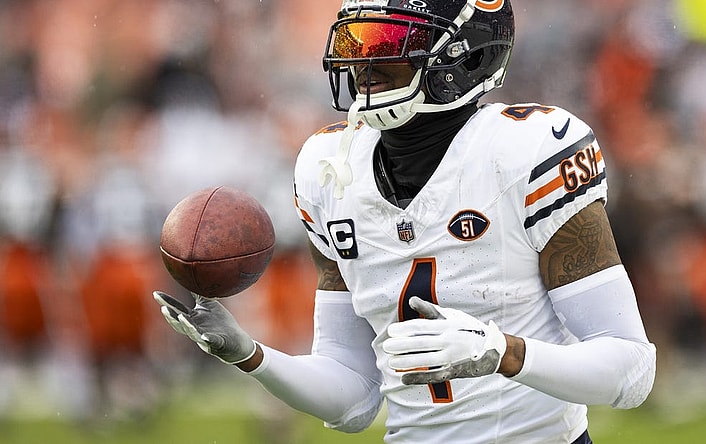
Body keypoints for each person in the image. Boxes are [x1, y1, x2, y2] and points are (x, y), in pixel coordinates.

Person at [154, 1, 657, 442]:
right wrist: (250, 354)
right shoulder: (330, 169)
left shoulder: (525, 153)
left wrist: (502, 351)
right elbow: (351, 395)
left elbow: (630, 370)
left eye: (388, 41)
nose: (362, 63)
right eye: (354, 38)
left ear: (462, 55)